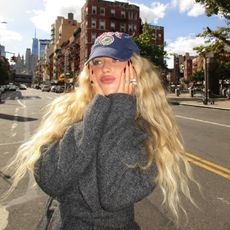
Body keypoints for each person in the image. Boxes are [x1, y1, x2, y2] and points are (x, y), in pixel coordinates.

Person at [3, 32, 197, 229]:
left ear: (136, 71)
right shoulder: (68, 112)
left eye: (115, 59)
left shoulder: (150, 129)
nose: (104, 67)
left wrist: (121, 105)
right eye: (96, 62)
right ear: (90, 73)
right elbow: (51, 180)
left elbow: (115, 195)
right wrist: (95, 112)